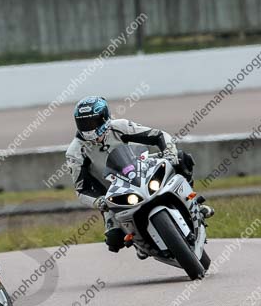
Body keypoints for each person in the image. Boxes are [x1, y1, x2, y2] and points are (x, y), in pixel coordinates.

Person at [65, 96, 214, 257]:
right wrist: (99, 201)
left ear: (104, 117)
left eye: (92, 122)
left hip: (144, 168)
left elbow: (159, 135)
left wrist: (170, 154)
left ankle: (192, 202)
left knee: (182, 158)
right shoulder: (75, 152)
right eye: (83, 123)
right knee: (114, 240)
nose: (88, 128)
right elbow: (81, 189)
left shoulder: (121, 127)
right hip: (115, 195)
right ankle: (140, 243)